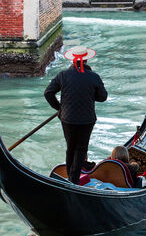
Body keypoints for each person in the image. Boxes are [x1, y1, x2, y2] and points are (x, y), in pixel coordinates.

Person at [44, 45, 107, 184]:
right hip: (87, 119)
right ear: (86, 60)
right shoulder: (93, 77)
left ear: (73, 61)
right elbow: (103, 97)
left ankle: (71, 178)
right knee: (81, 149)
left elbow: (48, 93)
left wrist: (60, 108)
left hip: (67, 118)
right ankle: (73, 180)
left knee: (71, 148)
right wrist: (89, 94)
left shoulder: (63, 75)